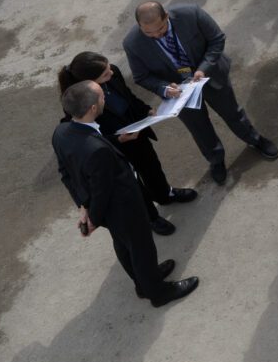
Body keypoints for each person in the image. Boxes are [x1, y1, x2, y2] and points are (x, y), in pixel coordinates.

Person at [53, 80, 198, 308]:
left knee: (123, 245)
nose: (105, 99)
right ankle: (158, 293)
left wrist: (83, 206)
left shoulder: (61, 132)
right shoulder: (97, 150)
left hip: (108, 210)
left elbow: (66, 173)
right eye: (102, 97)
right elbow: (102, 190)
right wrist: (93, 220)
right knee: (142, 249)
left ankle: (143, 282)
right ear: (92, 109)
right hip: (123, 207)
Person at [123, 0, 278, 185]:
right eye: (149, 33)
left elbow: (217, 40)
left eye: (161, 29)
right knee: (199, 129)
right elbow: (142, 77)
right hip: (180, 94)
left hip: (210, 76)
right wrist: (164, 88)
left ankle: (254, 139)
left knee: (232, 113)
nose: (157, 35)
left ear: (166, 16)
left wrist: (203, 68)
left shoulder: (191, 14)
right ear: (139, 26)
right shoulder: (132, 43)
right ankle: (216, 160)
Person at [56, 52, 199, 237]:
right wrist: (118, 140)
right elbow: (86, 136)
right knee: (135, 184)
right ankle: (152, 217)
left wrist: (145, 110)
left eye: (109, 68)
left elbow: (128, 97)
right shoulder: (79, 101)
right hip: (114, 148)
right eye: (105, 75)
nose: (112, 74)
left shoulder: (112, 72)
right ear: (90, 83)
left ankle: (165, 194)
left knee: (152, 167)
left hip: (137, 133)